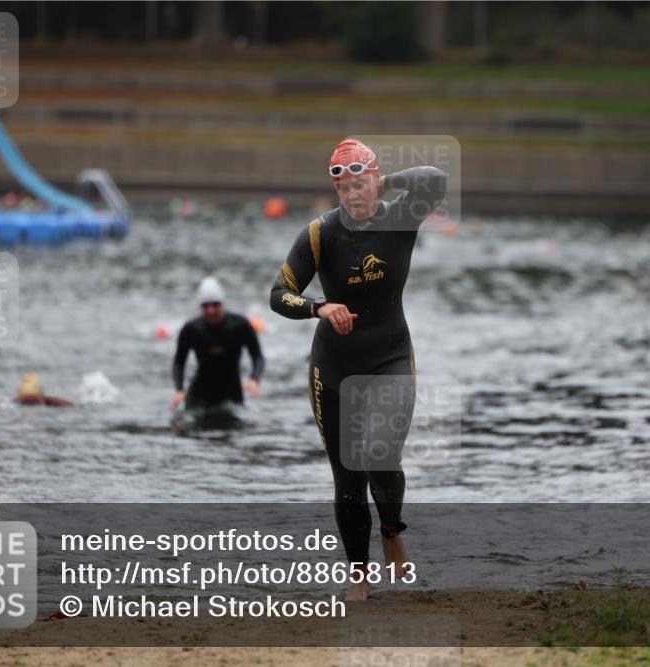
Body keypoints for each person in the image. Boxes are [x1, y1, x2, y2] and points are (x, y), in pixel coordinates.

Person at [269, 138, 446, 600]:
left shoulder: (401, 217)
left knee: (380, 454)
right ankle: (359, 576)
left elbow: (436, 181)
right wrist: (319, 308)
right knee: (348, 477)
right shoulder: (320, 233)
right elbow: (278, 294)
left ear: (375, 181)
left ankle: (391, 529)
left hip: (390, 357)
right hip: (333, 369)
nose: (352, 195)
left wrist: (388, 181)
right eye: (344, 189)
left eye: (361, 185)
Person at [171, 277, 264, 411]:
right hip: (199, 396)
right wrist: (179, 390)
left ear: (223, 303)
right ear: (200, 306)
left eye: (215, 305)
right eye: (205, 306)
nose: (211, 311)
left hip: (232, 394)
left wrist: (254, 379)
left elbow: (257, 356)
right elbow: (179, 361)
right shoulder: (191, 329)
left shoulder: (239, 325)